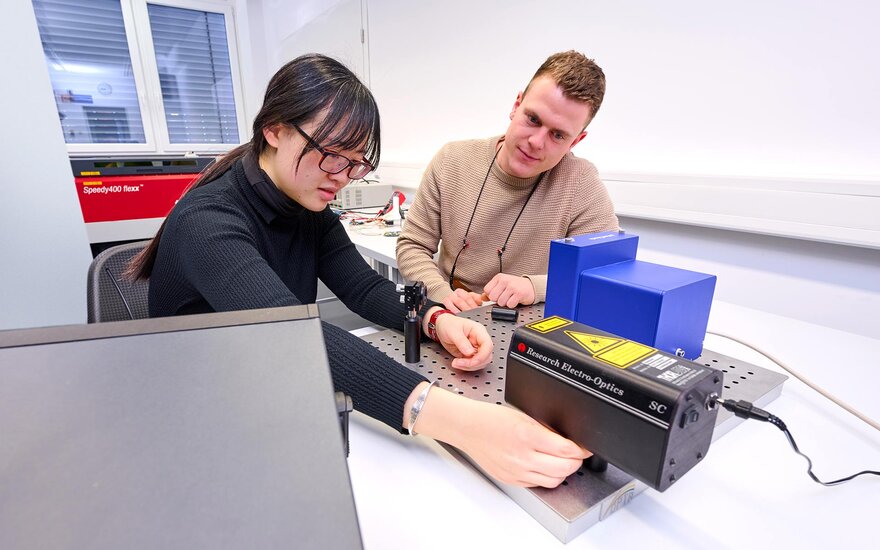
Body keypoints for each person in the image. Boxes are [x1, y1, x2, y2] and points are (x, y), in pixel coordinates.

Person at [126, 53, 588, 488]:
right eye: (332, 156)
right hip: (196, 418)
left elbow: (364, 287)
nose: (343, 177)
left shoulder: (305, 205)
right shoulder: (208, 221)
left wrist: (434, 319)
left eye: (356, 164)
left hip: (264, 384)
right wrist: (467, 424)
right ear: (274, 130)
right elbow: (294, 333)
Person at [396, 50, 619, 313]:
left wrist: (534, 288)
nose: (536, 142)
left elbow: (604, 272)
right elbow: (412, 245)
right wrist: (441, 294)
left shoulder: (581, 183)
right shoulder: (452, 161)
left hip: (527, 326)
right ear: (516, 106)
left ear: (575, 141)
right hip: (450, 315)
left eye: (558, 135)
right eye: (533, 119)